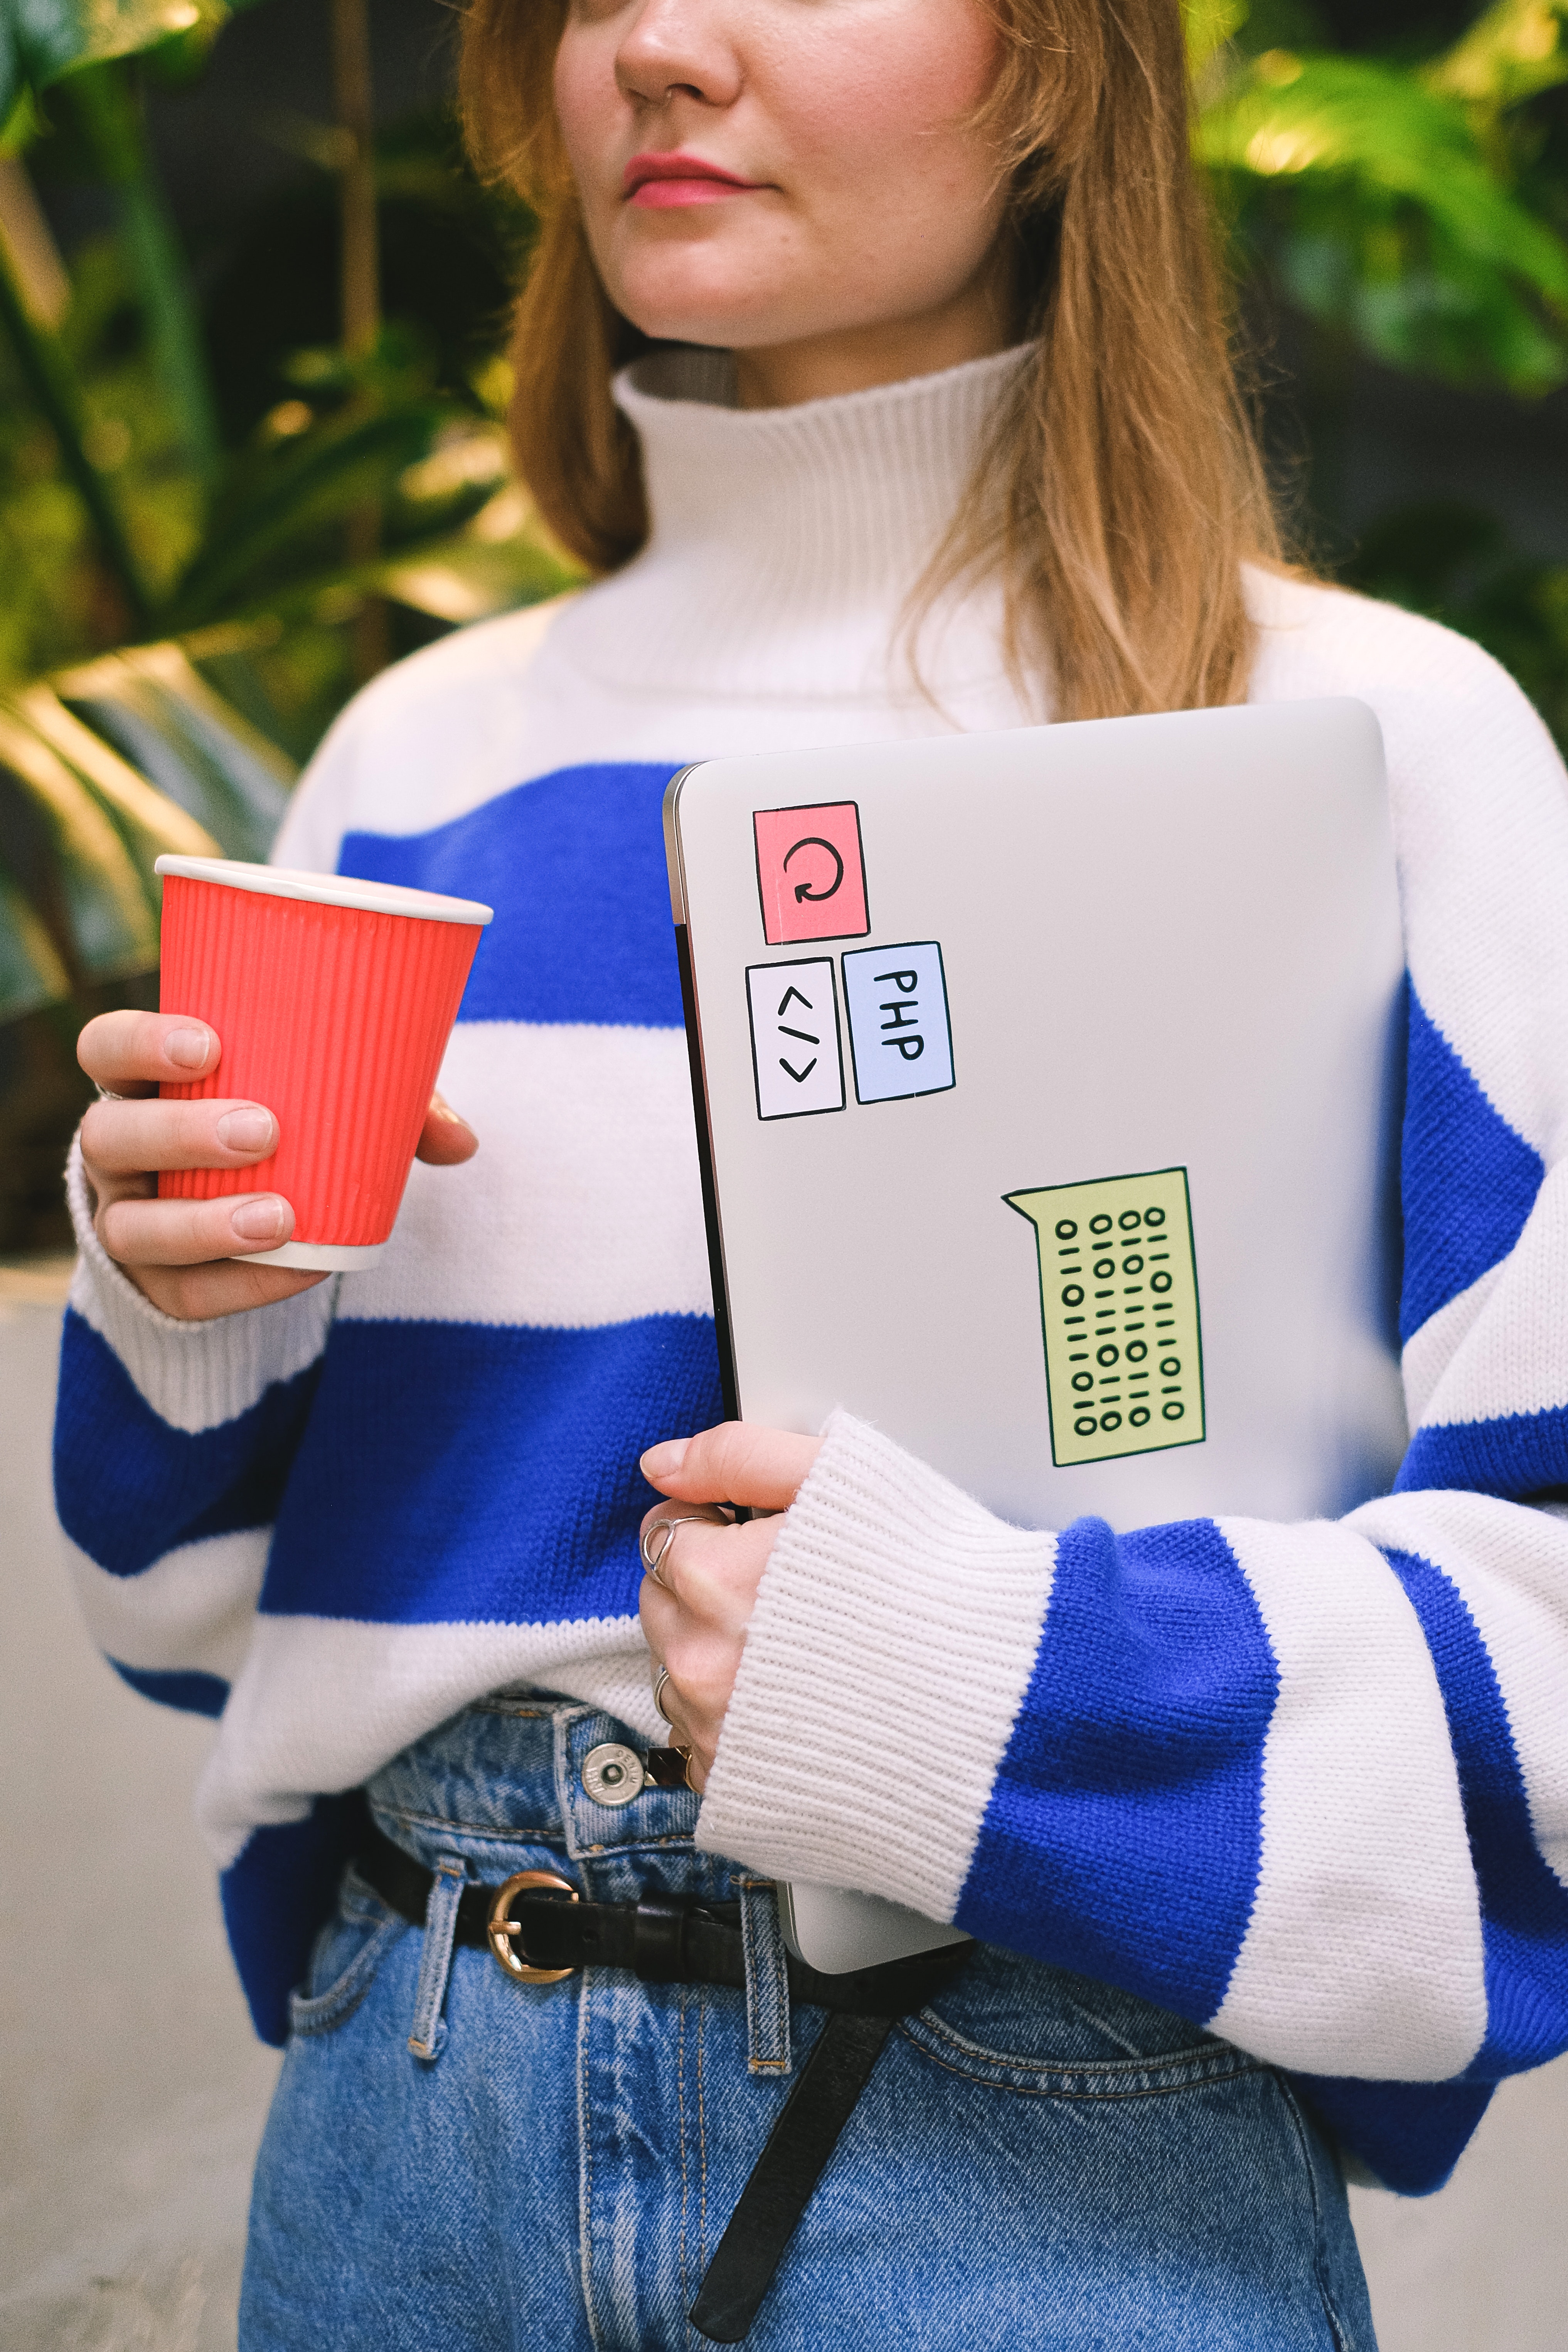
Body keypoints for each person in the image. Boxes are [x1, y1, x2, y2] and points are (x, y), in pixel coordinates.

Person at [55, 0, 1568, 2340]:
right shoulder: (415, 762)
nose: (652, 45)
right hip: (409, 2111)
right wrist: (187, 1294)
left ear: (1063, 63)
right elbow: (179, 1613)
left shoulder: (1362, 749)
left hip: (1048, 2126)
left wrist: (970, 1691)